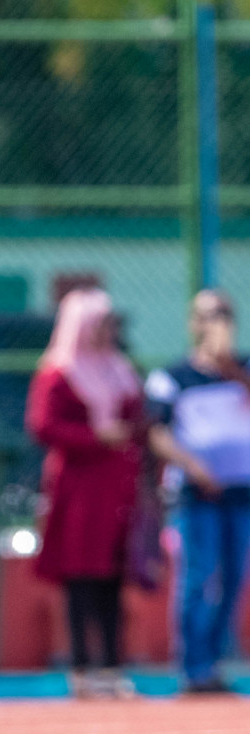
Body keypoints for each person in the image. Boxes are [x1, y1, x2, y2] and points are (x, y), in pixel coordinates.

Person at [28, 288, 143, 698]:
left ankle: (112, 665)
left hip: (117, 487)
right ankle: (80, 666)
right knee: (81, 575)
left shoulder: (120, 369)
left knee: (113, 576)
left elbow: (138, 421)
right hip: (78, 486)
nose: (108, 332)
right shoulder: (59, 372)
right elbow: (43, 426)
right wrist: (96, 435)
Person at [145, 289, 250, 695]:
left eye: (223, 314)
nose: (215, 323)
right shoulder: (171, 377)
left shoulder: (243, 370)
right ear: (193, 323)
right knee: (199, 576)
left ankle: (215, 663)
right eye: (207, 316)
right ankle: (194, 667)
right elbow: (157, 431)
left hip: (241, 494)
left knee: (235, 578)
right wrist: (193, 465)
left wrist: (229, 368)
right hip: (197, 494)